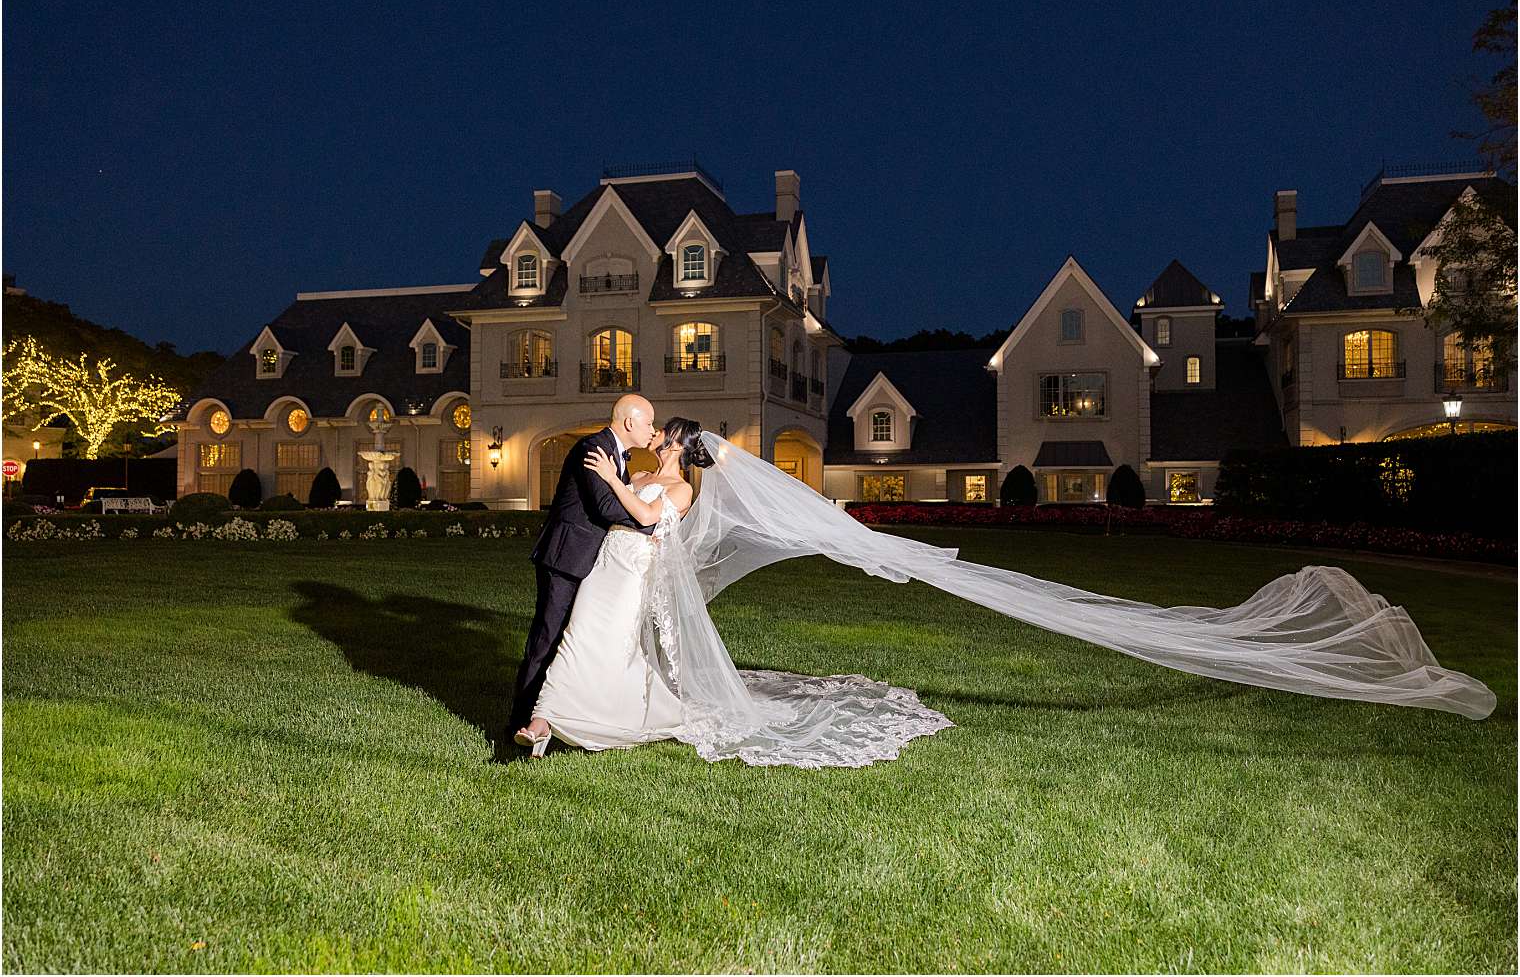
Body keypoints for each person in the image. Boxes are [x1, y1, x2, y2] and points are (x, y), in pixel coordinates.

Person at [514, 425, 1494, 768]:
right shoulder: (685, 483)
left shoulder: (678, 486)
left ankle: (571, 711)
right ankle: (570, 709)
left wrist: (626, 488)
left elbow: (652, 519)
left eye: (661, 448)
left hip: (631, 569)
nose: (655, 455)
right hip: (624, 581)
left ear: (677, 455)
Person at [512, 417, 701, 757]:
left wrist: (612, 477)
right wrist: (614, 480)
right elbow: (612, 509)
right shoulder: (640, 476)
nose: (654, 432)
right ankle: (542, 721)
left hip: (633, 573)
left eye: (661, 430)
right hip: (604, 565)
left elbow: (645, 516)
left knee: (613, 646)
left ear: (673, 444)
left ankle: (604, 710)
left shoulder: (682, 488)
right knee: (576, 635)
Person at [507, 394, 657, 745]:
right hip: (565, 558)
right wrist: (650, 525)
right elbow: (605, 506)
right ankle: (519, 721)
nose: (652, 429)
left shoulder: (617, 454)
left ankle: (551, 718)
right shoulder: (595, 448)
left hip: (586, 560)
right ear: (631, 422)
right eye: (648, 422)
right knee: (546, 639)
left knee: (568, 641)